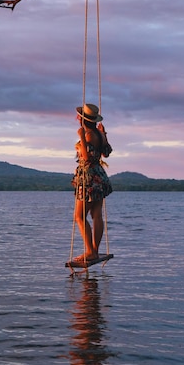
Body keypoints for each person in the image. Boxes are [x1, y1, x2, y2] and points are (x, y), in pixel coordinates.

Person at [72, 103, 112, 263]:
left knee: (79, 216)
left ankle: (90, 251)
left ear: (82, 119)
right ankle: (93, 250)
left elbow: (86, 158)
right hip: (99, 176)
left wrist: (81, 137)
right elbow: (106, 153)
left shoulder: (88, 134)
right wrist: (104, 135)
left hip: (89, 178)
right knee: (96, 215)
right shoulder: (99, 133)